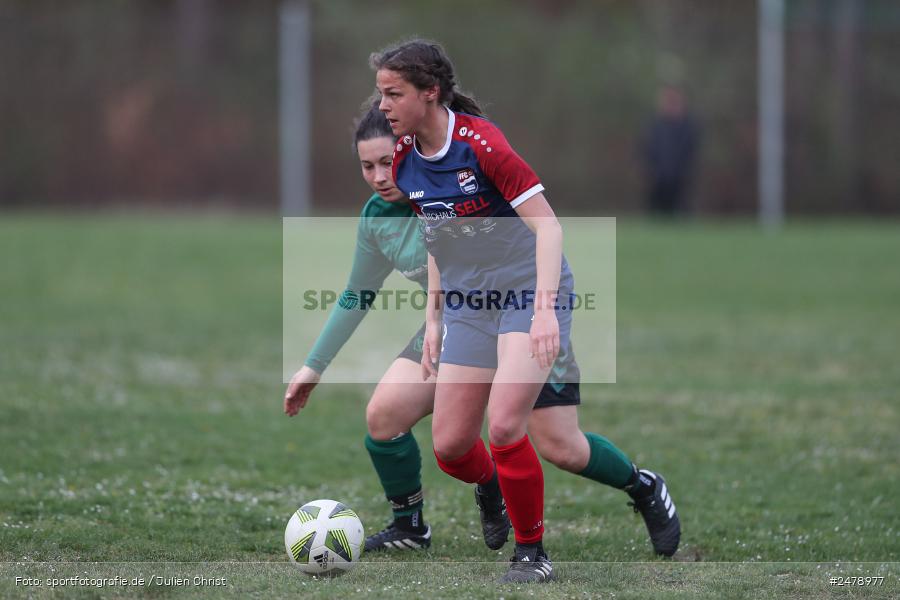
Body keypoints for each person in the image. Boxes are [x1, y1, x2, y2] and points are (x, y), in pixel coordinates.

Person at [372, 40, 680, 583]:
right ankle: (497, 488)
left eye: (394, 94)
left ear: (430, 93)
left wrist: (542, 314)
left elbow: (549, 226)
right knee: (449, 447)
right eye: (381, 95)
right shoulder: (405, 160)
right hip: (471, 305)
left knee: (517, 429)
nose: (384, 107)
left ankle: (535, 553)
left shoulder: (481, 144)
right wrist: (436, 319)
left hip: (527, 294)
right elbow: (439, 237)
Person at [640, 85, 700, 216]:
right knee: (657, 212)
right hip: (658, 178)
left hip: (680, 178)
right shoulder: (655, 125)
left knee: (679, 212)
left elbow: (691, 149)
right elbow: (646, 148)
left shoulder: (688, 126)